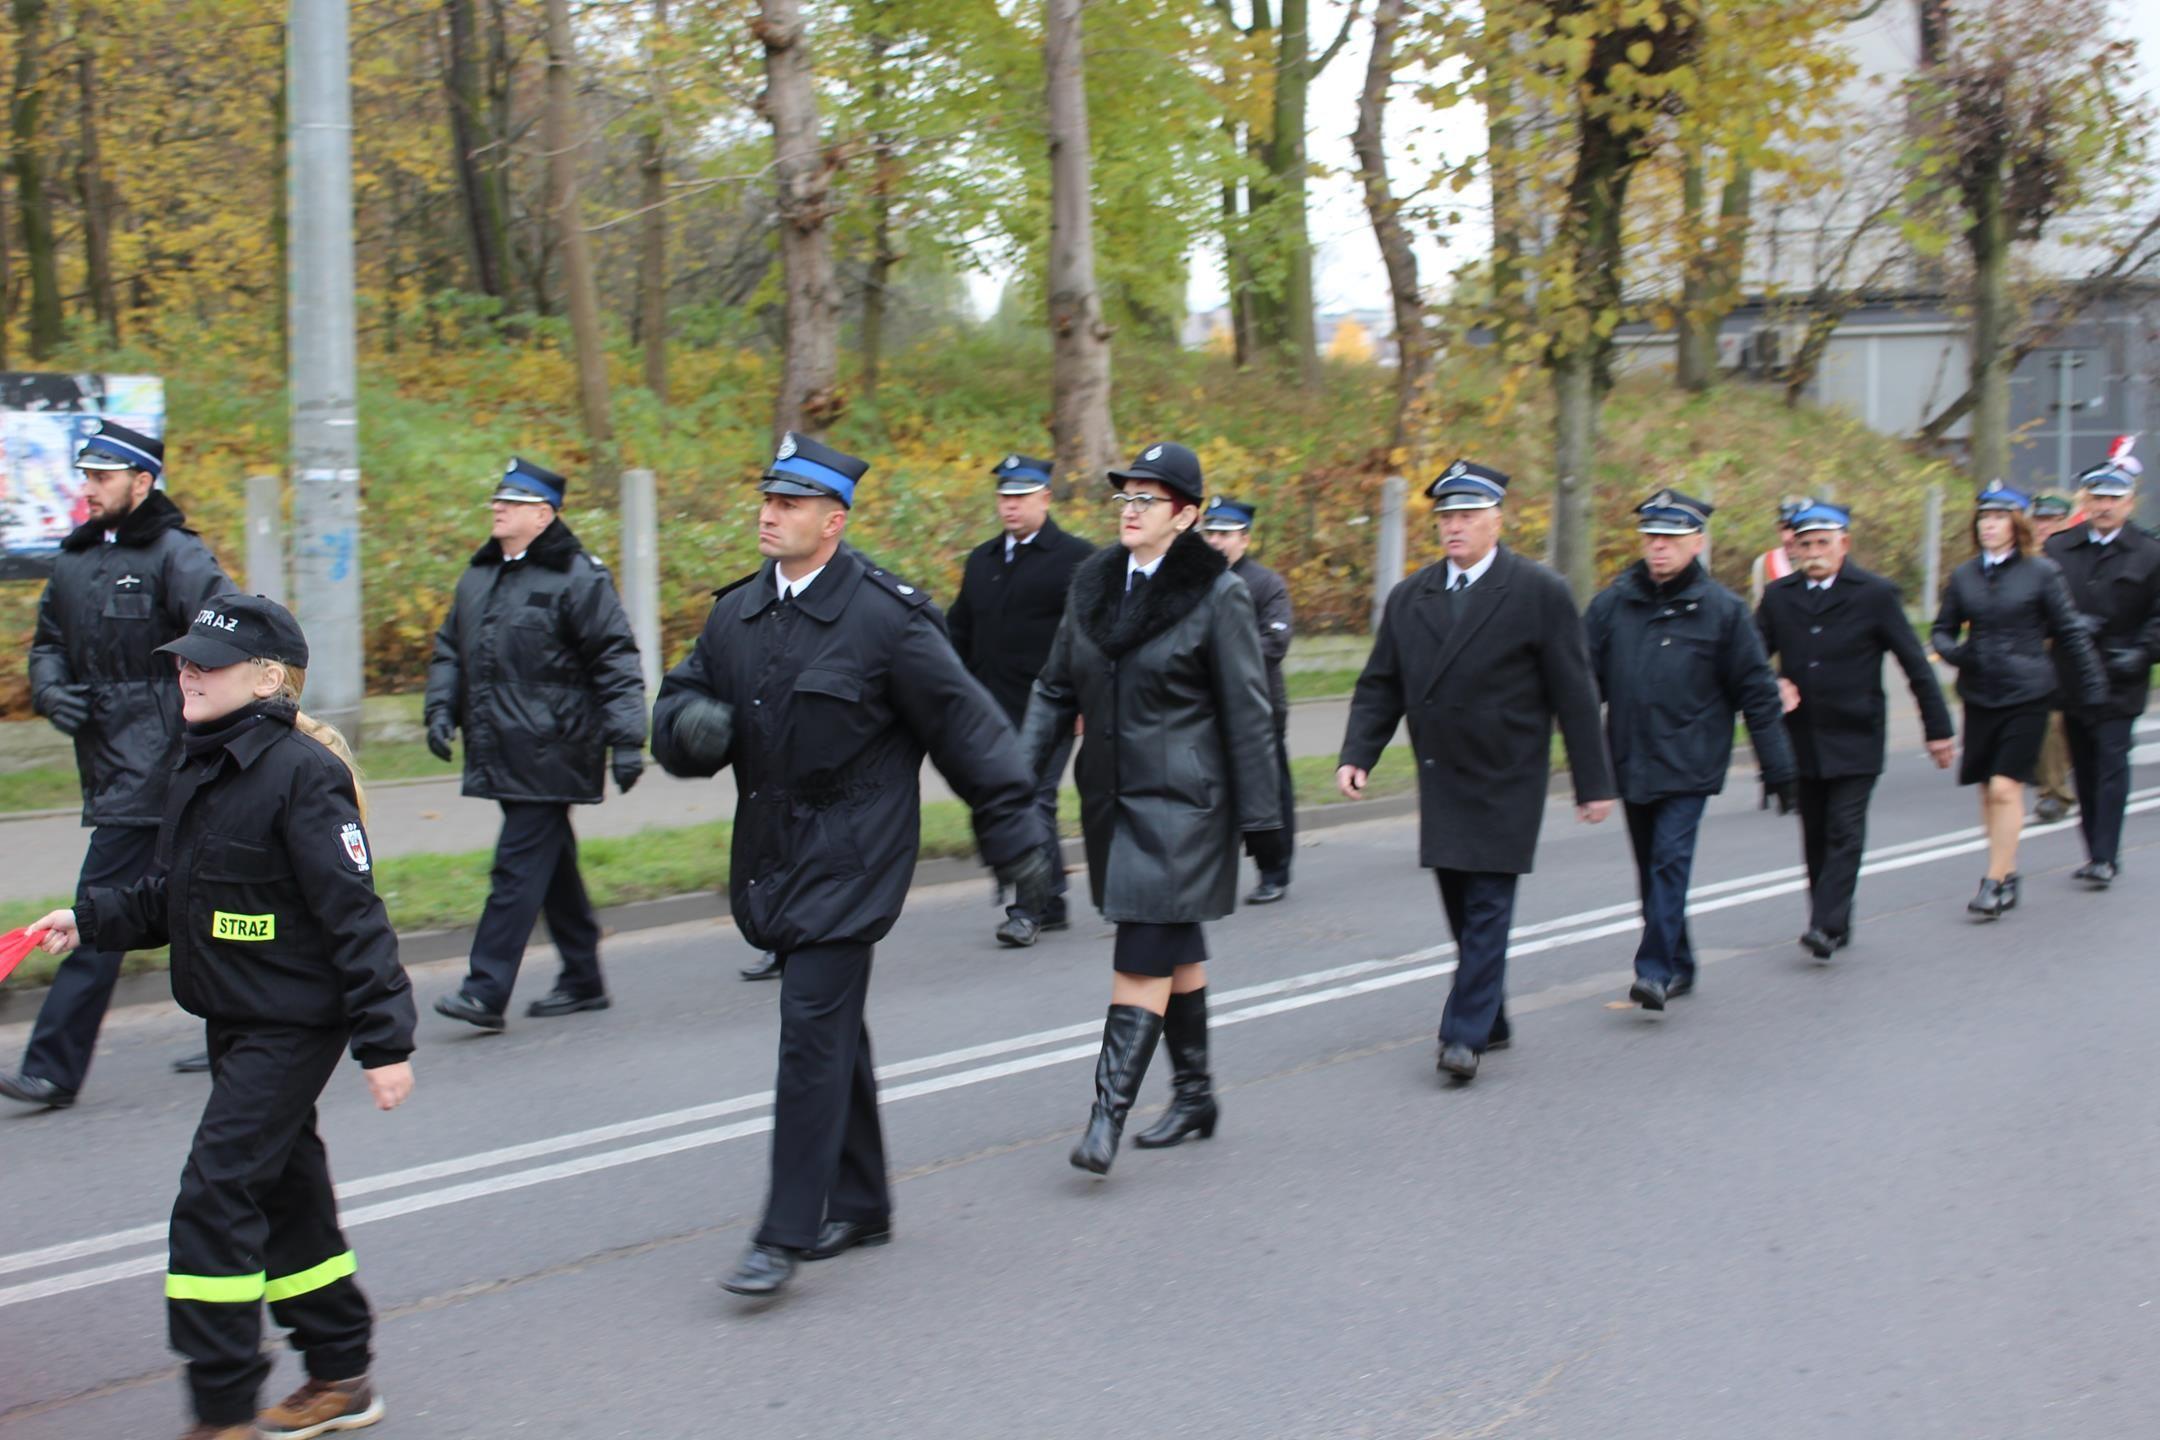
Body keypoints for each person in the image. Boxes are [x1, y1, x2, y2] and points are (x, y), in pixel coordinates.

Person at [651, 432, 1056, 1299]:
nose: (769, 513)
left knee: (808, 1036)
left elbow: (967, 727)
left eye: (790, 503)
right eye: (766, 498)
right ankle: (864, 1201)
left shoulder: (886, 618)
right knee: (831, 1029)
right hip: (771, 856)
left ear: (833, 521)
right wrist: (688, 729)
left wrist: (1017, 837)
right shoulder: (739, 611)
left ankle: (783, 1233)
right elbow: (679, 699)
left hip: (853, 857)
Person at [23, 594, 415, 1440]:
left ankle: (222, 1412)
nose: (187, 671)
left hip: (292, 1023)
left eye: (207, 660)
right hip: (234, 1015)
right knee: (285, 1190)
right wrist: (88, 919)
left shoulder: (302, 775)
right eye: (184, 658)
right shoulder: (200, 763)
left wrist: (386, 1041)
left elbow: (355, 916)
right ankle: (341, 1371)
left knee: (215, 1195)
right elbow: (178, 895)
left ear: (268, 677)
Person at [1018, 443, 1284, 1175]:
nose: (1131, 510)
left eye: (1149, 499)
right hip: (1109, 797)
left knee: (1141, 947)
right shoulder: (1095, 583)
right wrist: (1016, 778)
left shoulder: (1217, 595)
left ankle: (1105, 1117)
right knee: (1176, 945)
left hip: (1185, 805)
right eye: (1125, 498)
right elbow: (1052, 688)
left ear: (1188, 515)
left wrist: (1264, 825)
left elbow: (1248, 712)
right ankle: (1196, 1094)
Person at [1337, 460, 1614, 1082]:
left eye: (1466, 516)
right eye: (1445, 517)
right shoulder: (1412, 596)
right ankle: (1492, 1014)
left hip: (1506, 775)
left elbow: (1574, 691)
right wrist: (1358, 753)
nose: (1453, 528)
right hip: (1444, 775)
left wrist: (1593, 782)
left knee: (1488, 903)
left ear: (1496, 520)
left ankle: (1462, 1035)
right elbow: (1381, 684)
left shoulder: (1538, 592)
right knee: (1462, 906)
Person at [2, 421, 233, 1109]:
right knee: (210, 902)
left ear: (142, 481)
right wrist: (49, 688)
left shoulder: (177, 555)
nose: (90, 489)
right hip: (113, 766)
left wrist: (204, 724)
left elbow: (232, 635)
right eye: (87, 477)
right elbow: (47, 643)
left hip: (167, 766)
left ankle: (52, 1067)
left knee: (100, 912)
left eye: (103, 478)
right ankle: (249, 1028)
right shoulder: (74, 561)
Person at [425, 458, 649, 1032]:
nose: (499, 508)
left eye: (515, 502)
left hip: (556, 749)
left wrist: (627, 739)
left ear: (545, 515)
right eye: (498, 499)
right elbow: (451, 647)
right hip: (500, 745)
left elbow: (615, 658)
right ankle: (582, 978)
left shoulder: (578, 575)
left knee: (516, 867)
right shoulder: (478, 575)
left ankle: (485, 990)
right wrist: (439, 709)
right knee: (552, 865)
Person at [1585, 489, 1796, 1012]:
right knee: (1651, 868)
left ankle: (1653, 971)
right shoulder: (1614, 604)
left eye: (1672, 539)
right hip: (1632, 758)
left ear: (1697, 543)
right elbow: (1582, 683)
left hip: (1691, 761)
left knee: (1668, 864)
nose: (1659, 548)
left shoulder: (1722, 611)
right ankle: (1680, 961)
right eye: (1652, 537)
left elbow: (1757, 693)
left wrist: (1779, 769)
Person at [1755, 501, 1956, 958]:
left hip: (1856, 733)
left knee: (1844, 829)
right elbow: (1749, 659)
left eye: (1823, 542)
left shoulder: (1875, 594)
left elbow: (1914, 665)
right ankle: (1832, 920)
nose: (1814, 552)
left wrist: (1937, 729)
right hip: (1802, 735)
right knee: (1816, 832)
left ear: (1844, 544)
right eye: (1805, 544)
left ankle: (1825, 925)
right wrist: (1773, 682)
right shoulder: (1780, 597)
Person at [1929, 481, 2107, 919]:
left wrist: (2092, 687)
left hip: (2028, 692)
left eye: (1998, 518)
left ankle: (1992, 880)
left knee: (2008, 787)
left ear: (2017, 524)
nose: (1989, 526)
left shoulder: (2041, 573)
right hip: (1980, 694)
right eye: (1983, 519)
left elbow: (2068, 631)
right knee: (1990, 790)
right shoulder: (1966, 575)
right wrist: (1958, 653)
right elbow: (1941, 630)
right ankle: (2007, 872)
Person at [946, 452, 1094, 948]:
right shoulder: (983, 559)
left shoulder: (1076, 558)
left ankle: (1026, 909)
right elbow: (959, 632)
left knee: (1032, 800)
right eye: (1004, 497)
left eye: (1021, 497)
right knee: (1008, 801)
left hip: (1049, 708)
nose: (1010, 506)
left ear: (1046, 499)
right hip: (990, 710)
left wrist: (1087, 705)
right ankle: (1050, 899)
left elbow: (1092, 640)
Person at [2043, 456, 2160, 888]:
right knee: (2086, 767)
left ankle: (2105, 856)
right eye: (2097, 498)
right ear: (2085, 501)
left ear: (2130, 503)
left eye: (2113, 498)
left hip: (2120, 675)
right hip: (2073, 675)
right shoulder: (2059, 547)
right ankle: (2094, 848)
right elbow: (2043, 604)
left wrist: (2144, 653)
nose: (2104, 506)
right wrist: (2065, 627)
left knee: (2111, 764)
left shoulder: (2149, 552)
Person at [1200, 494, 1297, 903]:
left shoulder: (1264, 584)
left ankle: (1273, 871)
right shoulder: (1195, 584)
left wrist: (1220, 652)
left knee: (1267, 792)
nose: (1215, 542)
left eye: (1224, 534)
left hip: (1258, 708)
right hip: (1206, 706)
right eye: (1210, 533)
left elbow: (1275, 642)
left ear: (1245, 538)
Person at [2029, 493, 2082, 823]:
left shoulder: (2075, 558)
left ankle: (2056, 786)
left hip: (2072, 654)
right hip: (2033, 654)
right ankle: (2052, 792)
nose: (2044, 527)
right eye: (2040, 520)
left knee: (2066, 726)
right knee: (2046, 723)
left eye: (2052, 521)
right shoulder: (2023, 558)